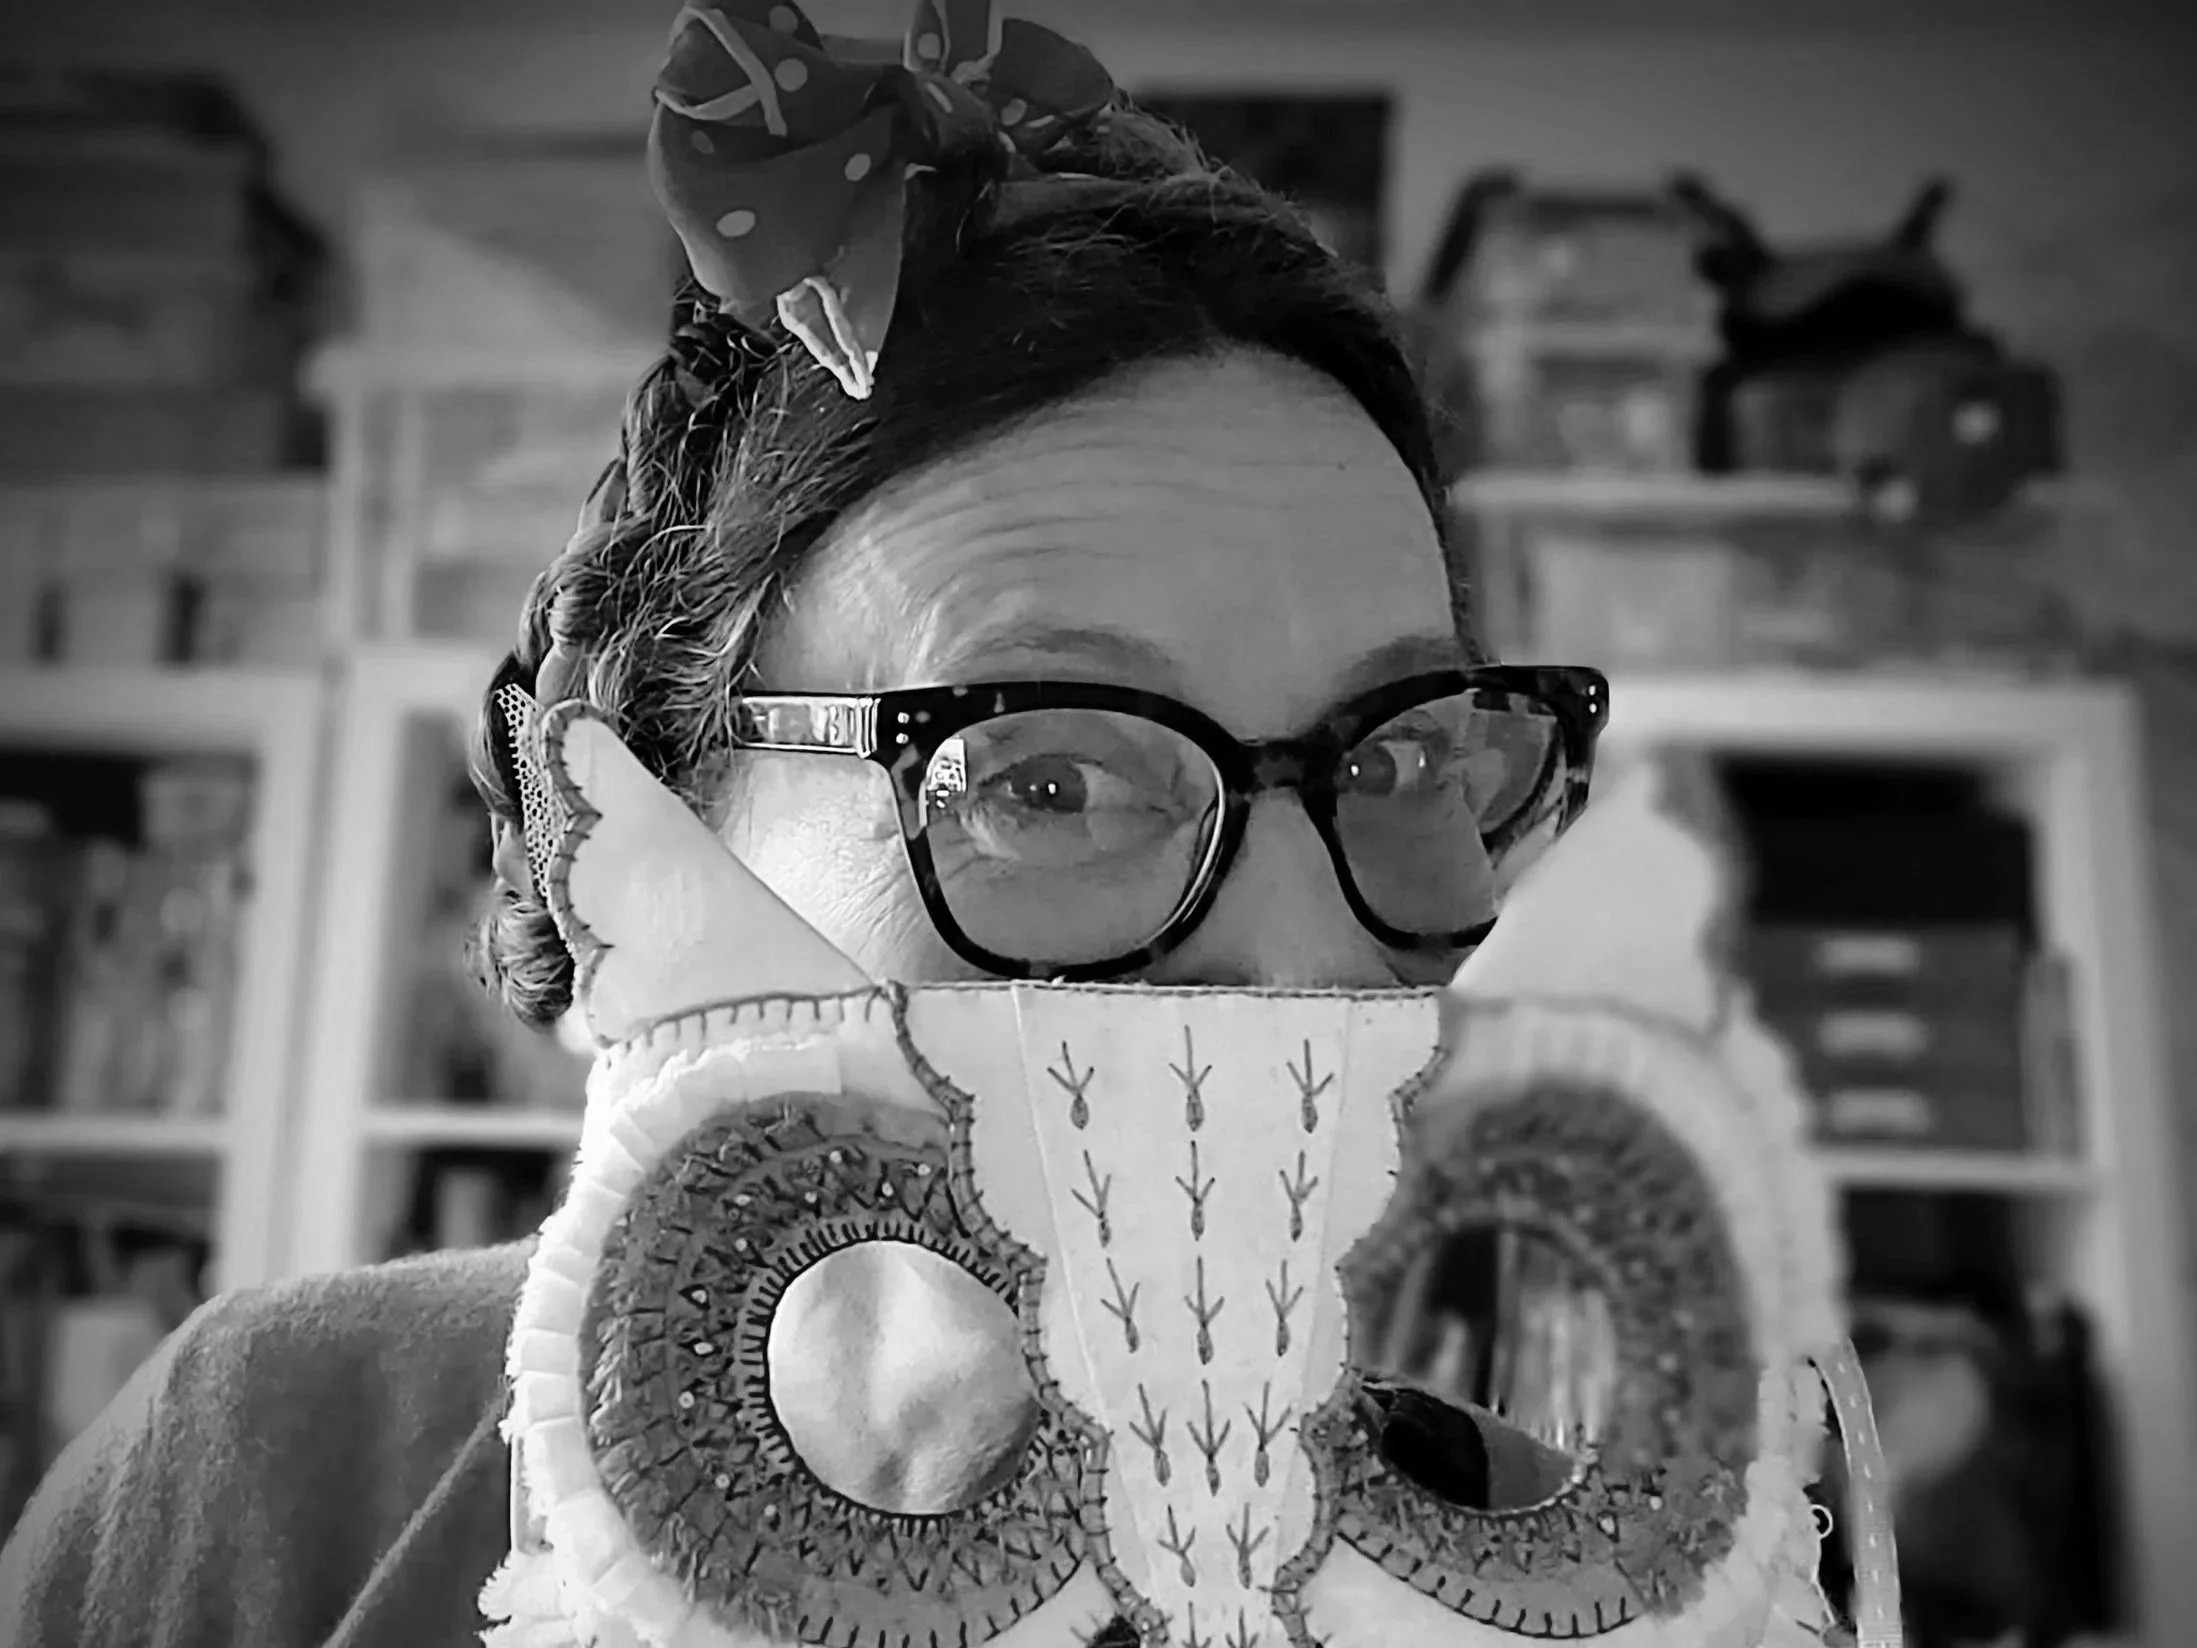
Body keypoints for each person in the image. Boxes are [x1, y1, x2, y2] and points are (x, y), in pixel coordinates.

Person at [0, 6, 1604, 1644]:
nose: (1308, 961)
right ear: (643, 833)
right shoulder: (265, 1483)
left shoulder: (1587, 1596)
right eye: (1045, 783)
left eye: (1399, 762)